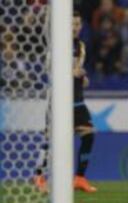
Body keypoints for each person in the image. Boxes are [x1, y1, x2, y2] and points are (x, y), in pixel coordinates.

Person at [33, 11, 97, 193]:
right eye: (72, 24)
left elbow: (78, 70)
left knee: (89, 135)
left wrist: (82, 78)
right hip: (59, 101)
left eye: (78, 24)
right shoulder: (57, 45)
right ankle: (38, 176)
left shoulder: (81, 46)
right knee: (50, 140)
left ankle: (79, 178)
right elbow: (50, 70)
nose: (75, 28)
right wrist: (71, 73)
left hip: (77, 101)